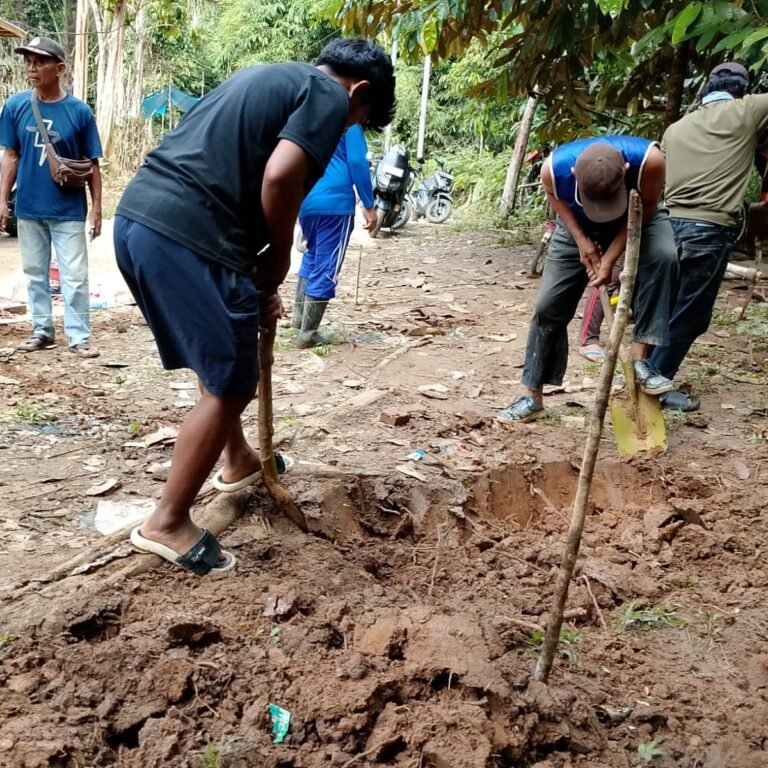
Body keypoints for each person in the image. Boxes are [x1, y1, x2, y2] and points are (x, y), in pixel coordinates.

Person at [113, 38, 395, 575]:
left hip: (144, 222)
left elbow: (233, 171)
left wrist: (250, 277)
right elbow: (280, 175)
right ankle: (167, 521)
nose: (344, 129)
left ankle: (238, 459)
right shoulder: (327, 95)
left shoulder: (271, 77)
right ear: (358, 90)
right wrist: (282, 254)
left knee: (221, 358)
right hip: (187, 233)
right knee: (234, 383)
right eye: (356, 120)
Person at [497, 136, 679, 422]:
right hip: (576, 225)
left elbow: (648, 208)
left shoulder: (649, 162)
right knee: (547, 305)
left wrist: (609, 259)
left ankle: (640, 360)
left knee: (664, 256)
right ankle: (532, 396)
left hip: (638, 216)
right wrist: (582, 240)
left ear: (626, 170)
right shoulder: (553, 169)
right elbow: (554, 198)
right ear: (574, 176)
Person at [649, 62, 768, 412]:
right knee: (691, 315)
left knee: (668, 307)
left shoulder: (676, 128)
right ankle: (654, 383)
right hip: (708, 230)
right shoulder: (746, 110)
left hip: (668, 229)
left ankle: (648, 372)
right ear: (740, 90)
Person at [0, 36, 103, 358]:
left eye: (40, 61)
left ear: (59, 69)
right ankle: (42, 331)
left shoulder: (79, 112)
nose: (32, 67)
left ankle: (78, 337)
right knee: (34, 272)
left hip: (68, 209)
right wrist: (2, 200)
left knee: (74, 276)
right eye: (28, 61)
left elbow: (93, 163)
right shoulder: (16, 106)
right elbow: (11, 155)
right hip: (29, 207)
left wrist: (97, 208)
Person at [293, 123, 377, 348]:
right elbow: (358, 162)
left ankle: (299, 319)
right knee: (327, 266)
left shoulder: (313, 121)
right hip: (335, 205)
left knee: (312, 255)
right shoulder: (350, 123)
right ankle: (308, 334)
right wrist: (369, 204)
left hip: (307, 200)